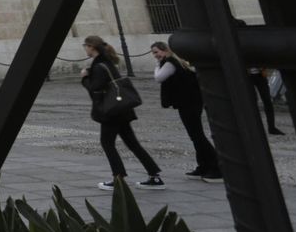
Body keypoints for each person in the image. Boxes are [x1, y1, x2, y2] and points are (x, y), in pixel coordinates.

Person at [82, 35, 164, 190]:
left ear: (91, 47)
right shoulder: (106, 63)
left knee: (107, 143)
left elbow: (95, 88)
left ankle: (118, 178)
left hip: (111, 112)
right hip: (122, 110)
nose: (85, 49)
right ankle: (155, 176)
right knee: (132, 143)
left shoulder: (100, 66)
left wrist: (85, 78)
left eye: (85, 46)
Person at [151, 41, 221, 182]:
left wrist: (157, 65)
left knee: (197, 135)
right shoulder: (176, 61)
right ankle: (204, 165)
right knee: (195, 135)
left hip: (188, 102)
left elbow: (159, 77)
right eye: (153, 53)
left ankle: (217, 167)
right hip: (189, 102)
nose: (155, 55)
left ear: (164, 50)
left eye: (156, 52)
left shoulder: (170, 62)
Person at [233, 19, 283, 134]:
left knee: (264, 101)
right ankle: (262, 127)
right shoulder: (237, 43)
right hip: (249, 75)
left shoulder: (249, 42)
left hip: (259, 74)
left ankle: (270, 127)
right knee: (255, 101)